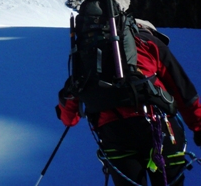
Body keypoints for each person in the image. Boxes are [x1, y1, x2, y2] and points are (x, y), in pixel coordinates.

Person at [56, 19, 201, 185]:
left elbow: (69, 117)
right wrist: (198, 125)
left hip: (114, 135)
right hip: (160, 129)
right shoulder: (151, 43)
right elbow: (183, 90)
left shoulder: (89, 53)